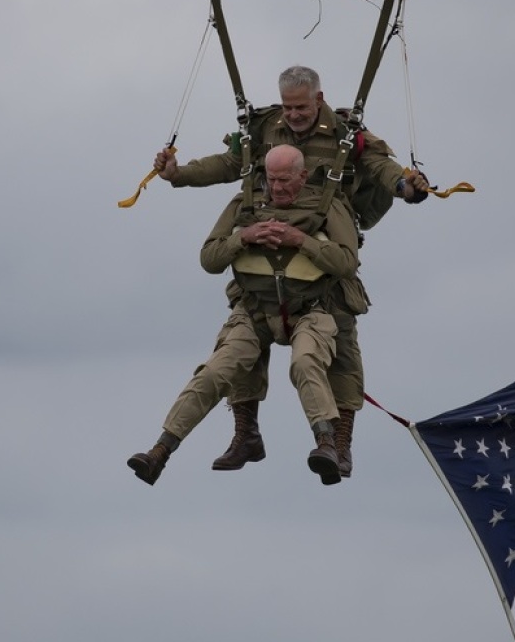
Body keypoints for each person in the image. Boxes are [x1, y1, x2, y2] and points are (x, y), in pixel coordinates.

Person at [151, 65, 429, 479]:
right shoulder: (266, 128)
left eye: (301, 107)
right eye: (288, 107)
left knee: (338, 355)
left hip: (325, 252)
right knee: (239, 345)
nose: (294, 115)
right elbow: (230, 163)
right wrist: (179, 174)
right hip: (265, 262)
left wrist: (407, 188)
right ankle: (245, 436)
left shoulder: (346, 133)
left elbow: (381, 168)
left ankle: (338, 446)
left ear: (319, 99)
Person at [128, 144, 360, 486]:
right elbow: (210, 259)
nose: (277, 187)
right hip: (254, 310)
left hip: (310, 309)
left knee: (305, 362)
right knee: (214, 372)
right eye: (272, 179)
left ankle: (327, 444)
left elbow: (347, 263)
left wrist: (301, 240)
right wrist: (245, 237)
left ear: (302, 176)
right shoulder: (245, 204)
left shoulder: (328, 205)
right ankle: (160, 451)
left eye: (285, 180)